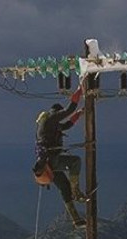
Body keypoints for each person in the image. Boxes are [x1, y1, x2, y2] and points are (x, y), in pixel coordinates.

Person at [32, 82, 88, 228]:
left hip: (47, 165)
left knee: (64, 187)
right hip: (52, 161)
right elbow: (70, 108)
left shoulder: (48, 124)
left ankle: (76, 219)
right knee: (75, 162)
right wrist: (79, 90)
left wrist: (79, 114)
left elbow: (67, 125)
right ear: (56, 112)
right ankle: (76, 192)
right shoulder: (52, 119)